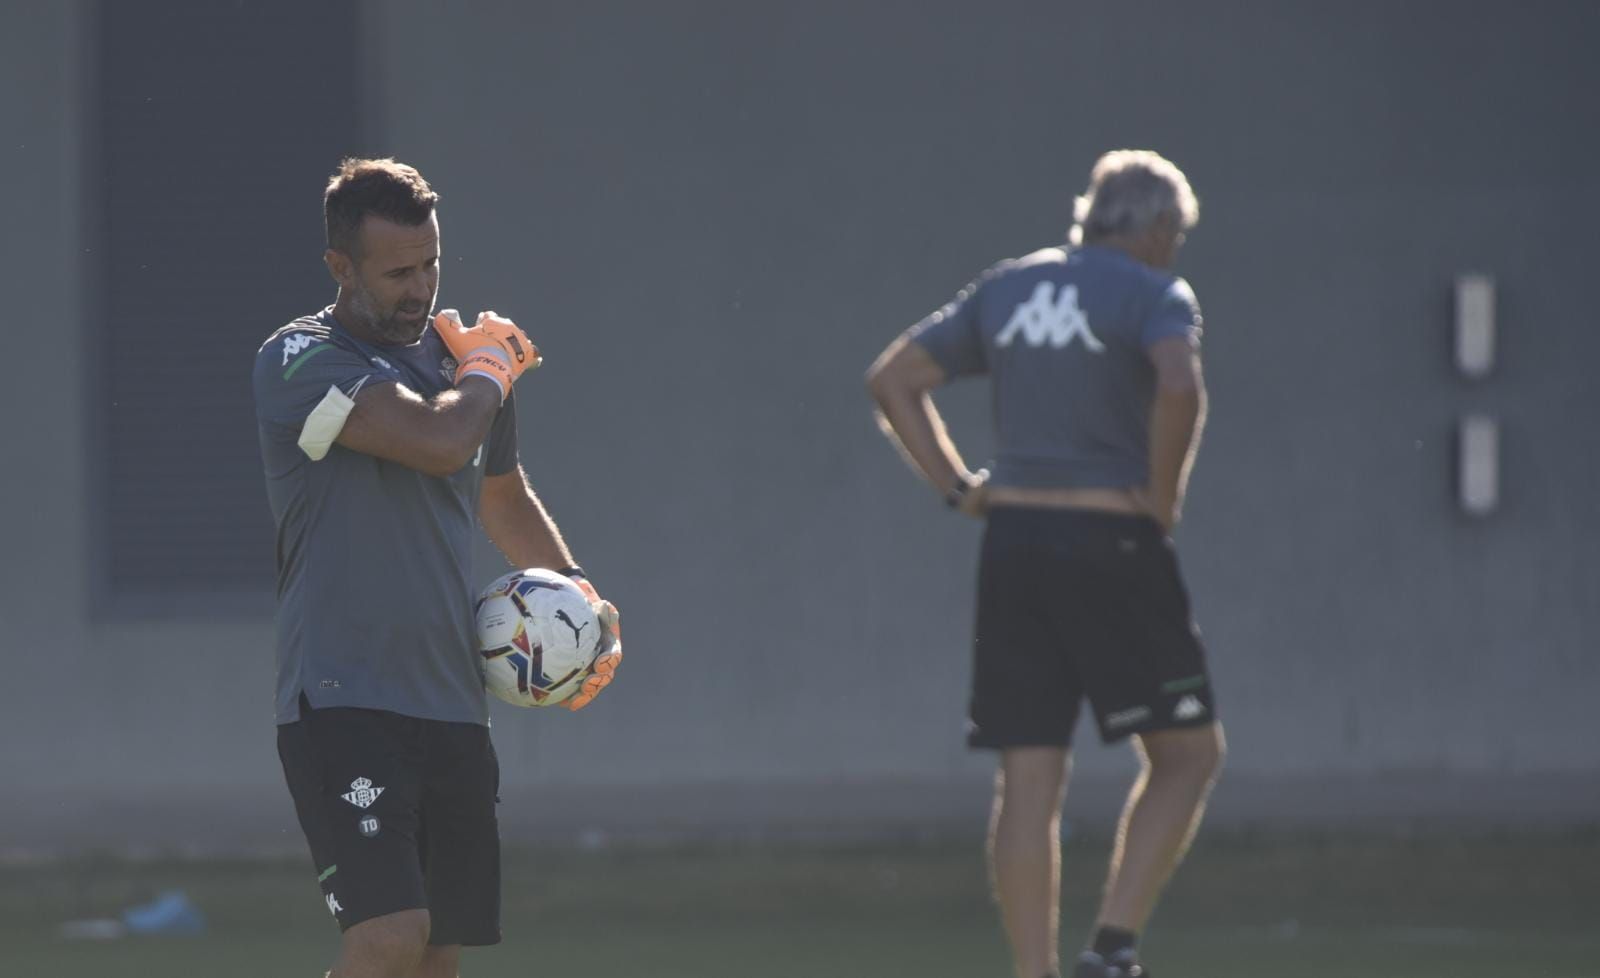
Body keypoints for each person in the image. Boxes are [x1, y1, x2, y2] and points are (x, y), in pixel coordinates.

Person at [251, 158, 622, 978]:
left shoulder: (462, 372)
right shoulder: (298, 358)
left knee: (435, 958)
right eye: (397, 273)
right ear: (340, 268)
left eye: (431, 266)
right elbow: (437, 442)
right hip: (343, 698)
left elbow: (501, 497)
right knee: (388, 937)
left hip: (452, 704)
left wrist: (582, 605)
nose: (420, 289)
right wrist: (488, 373)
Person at [865, 150, 1224, 978]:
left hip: (1015, 546)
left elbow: (893, 380)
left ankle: (1035, 973)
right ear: (1161, 228)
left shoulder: (1008, 287)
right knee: (1188, 755)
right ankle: (1113, 949)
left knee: (1028, 778)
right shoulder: (1155, 292)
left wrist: (961, 490)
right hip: (1112, 544)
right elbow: (1180, 382)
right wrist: (1160, 497)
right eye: (1179, 236)